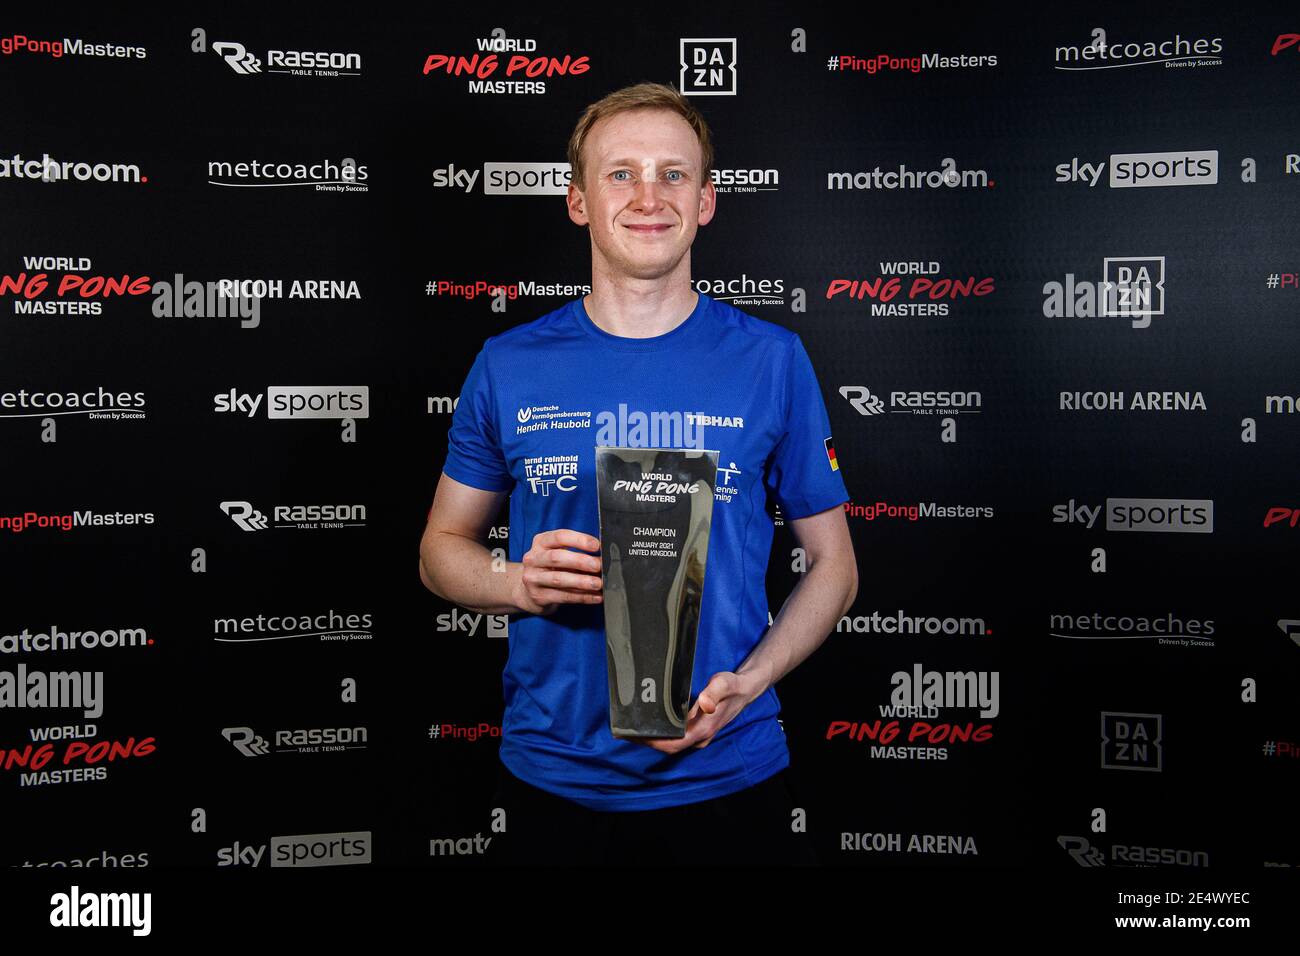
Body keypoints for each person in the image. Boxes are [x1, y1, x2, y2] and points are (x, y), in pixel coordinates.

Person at [418, 82, 857, 865]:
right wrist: (514, 582)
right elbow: (439, 549)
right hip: (554, 777)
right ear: (578, 201)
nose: (648, 196)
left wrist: (751, 682)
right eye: (620, 173)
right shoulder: (508, 364)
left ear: (707, 201)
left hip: (730, 774)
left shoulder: (772, 361)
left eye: (673, 173)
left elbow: (835, 564)